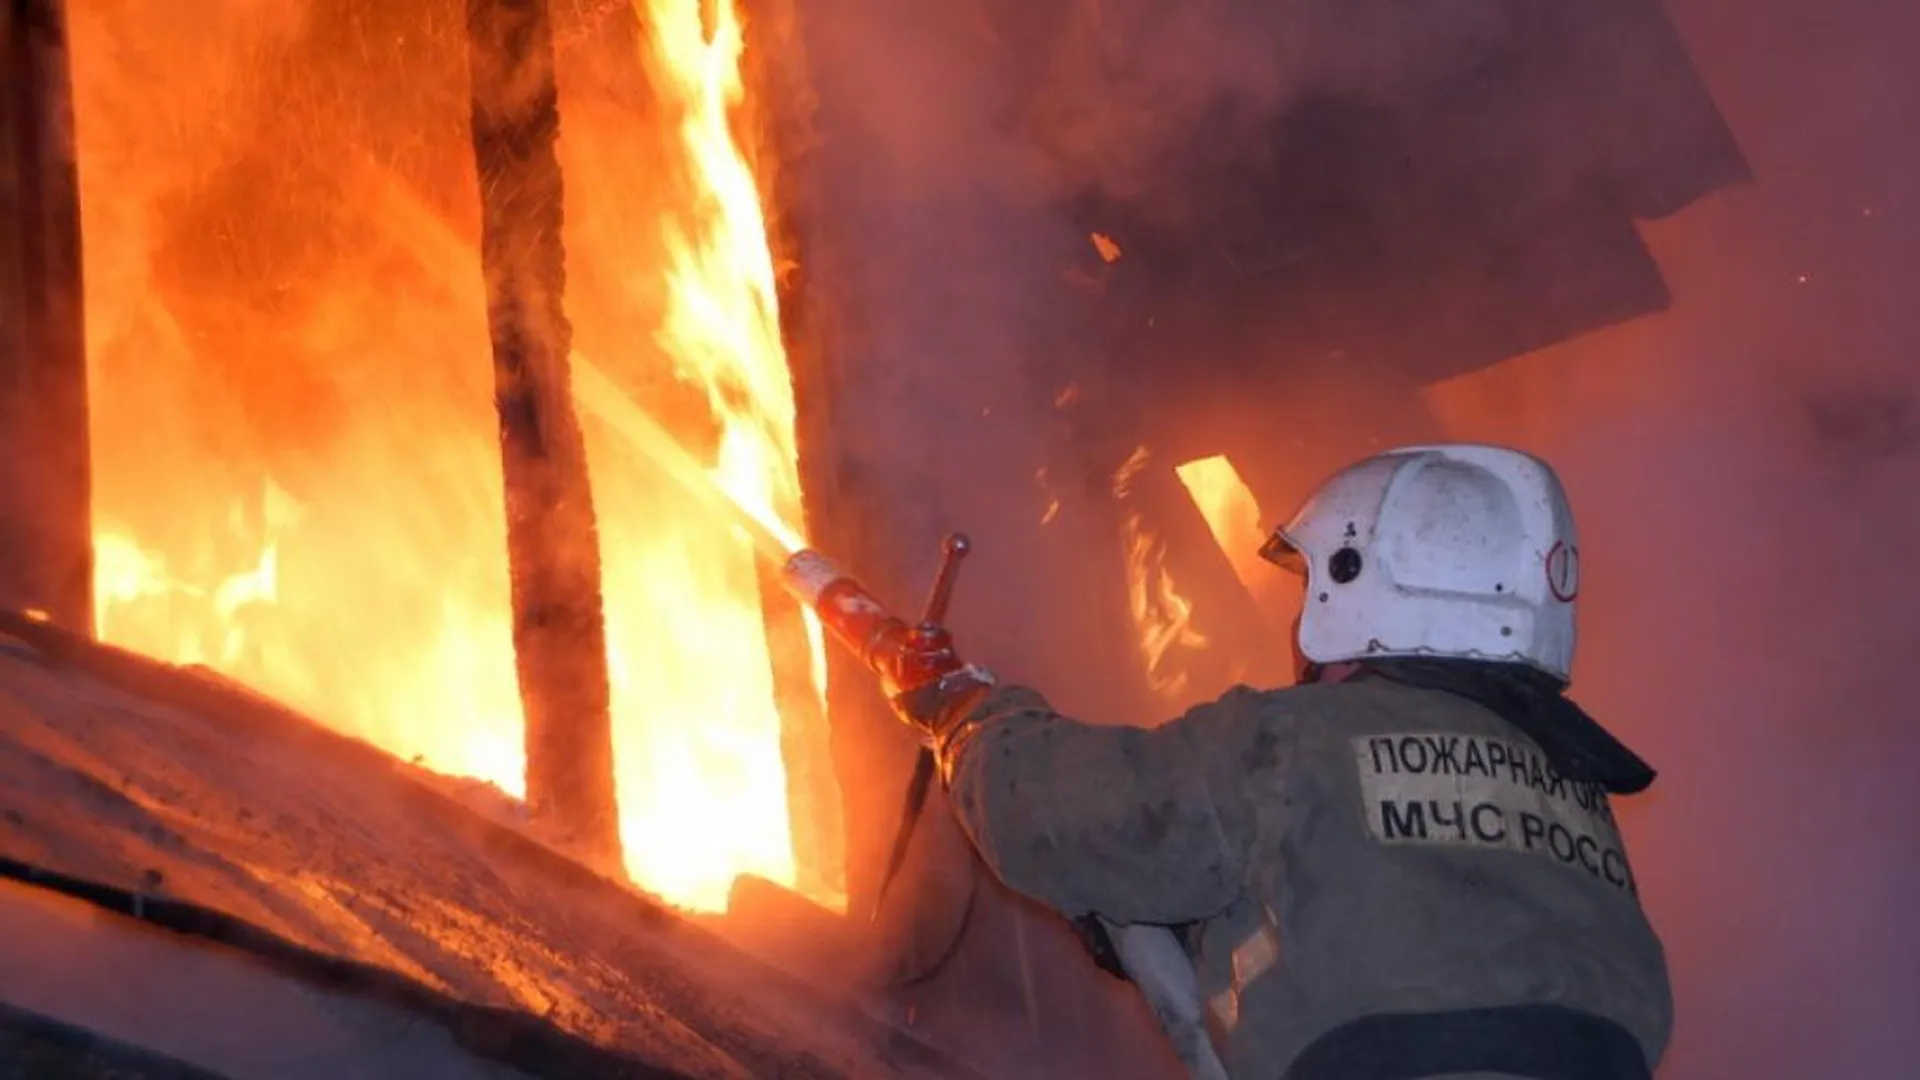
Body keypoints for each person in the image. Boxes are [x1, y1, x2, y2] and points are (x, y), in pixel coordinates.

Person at [885, 443, 1672, 1080]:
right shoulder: (1578, 796)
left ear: (1355, 587)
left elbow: (1055, 815)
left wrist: (965, 712)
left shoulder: (1292, 741)